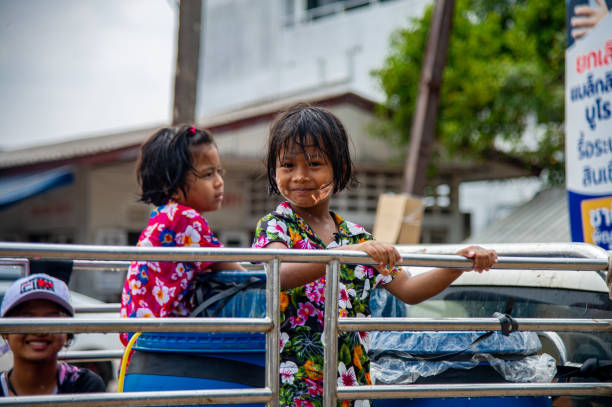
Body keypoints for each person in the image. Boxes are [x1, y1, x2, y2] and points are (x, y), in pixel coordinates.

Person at [252, 103, 498, 407]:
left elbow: (410, 290)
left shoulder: (357, 236)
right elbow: (280, 275)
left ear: (339, 168)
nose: (300, 176)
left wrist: (459, 262)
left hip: (352, 388)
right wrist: (346, 254)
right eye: (288, 165)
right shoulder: (276, 225)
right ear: (274, 171)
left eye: (314, 164)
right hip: (294, 389)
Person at [119, 125, 245, 345]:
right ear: (171, 186)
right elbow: (240, 274)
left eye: (219, 171)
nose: (219, 182)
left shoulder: (163, 216)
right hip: (162, 343)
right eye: (207, 174)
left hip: (139, 341)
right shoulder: (185, 219)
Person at [0, 273, 106, 396]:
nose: (39, 330)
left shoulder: (84, 386)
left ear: (68, 333)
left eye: (51, 319)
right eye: (27, 318)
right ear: (5, 331)